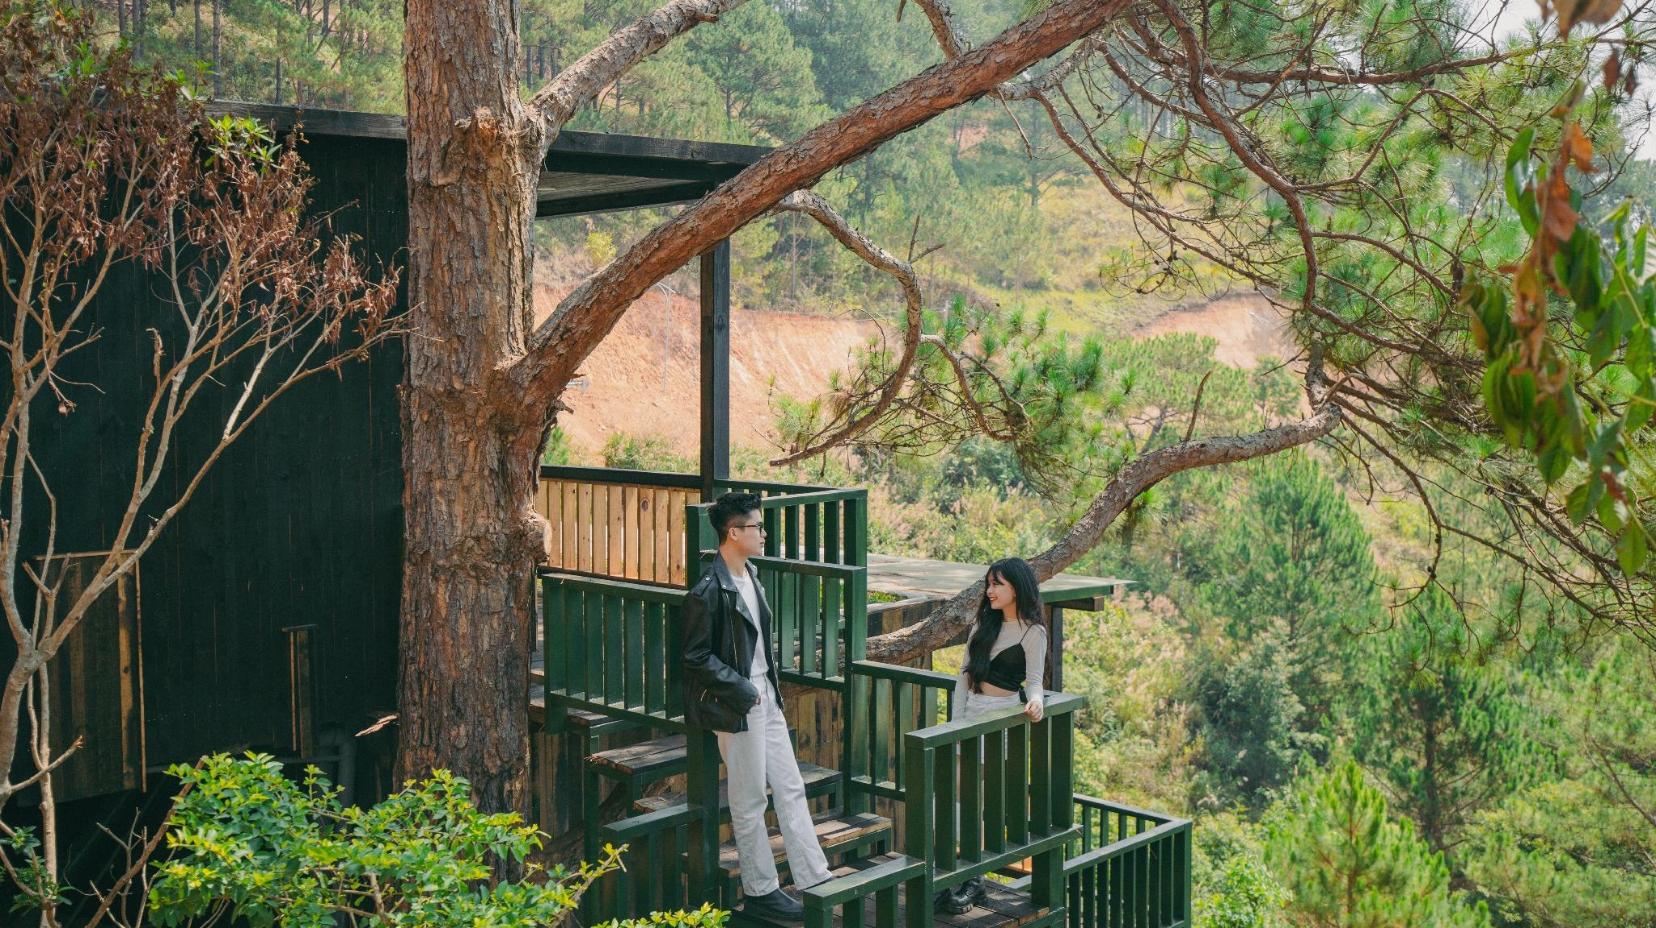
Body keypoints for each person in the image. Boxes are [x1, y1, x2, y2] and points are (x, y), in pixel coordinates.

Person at [681, 492, 833, 922]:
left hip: (766, 695)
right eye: (757, 527)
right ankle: (761, 889)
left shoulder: (752, 577)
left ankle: (814, 878)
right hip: (739, 702)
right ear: (734, 532)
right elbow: (694, 657)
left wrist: (760, 689)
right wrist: (744, 691)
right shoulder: (709, 591)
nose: (764, 534)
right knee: (748, 801)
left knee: (791, 787)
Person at [935, 556, 1049, 915]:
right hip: (971, 713)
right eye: (989, 583)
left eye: (997, 583)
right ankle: (957, 872)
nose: (990, 590)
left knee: (982, 800)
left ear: (1017, 587)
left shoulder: (1033, 632)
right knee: (956, 797)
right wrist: (955, 724)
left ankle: (974, 877)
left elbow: (1034, 682)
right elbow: (962, 678)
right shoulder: (984, 624)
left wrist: (1036, 703)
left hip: (999, 721)